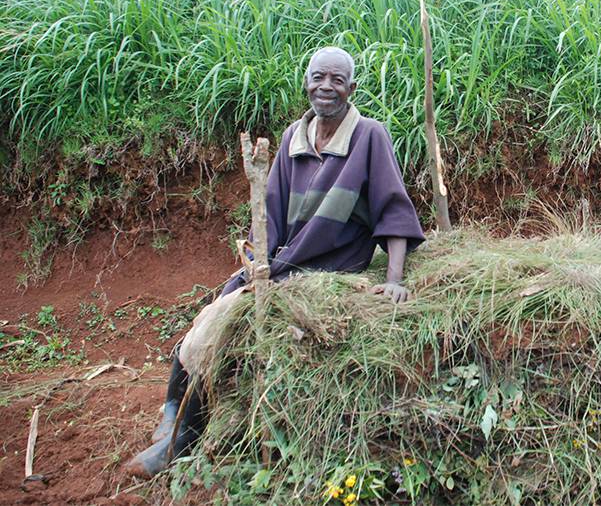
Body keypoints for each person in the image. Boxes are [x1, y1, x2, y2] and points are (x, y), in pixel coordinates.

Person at [124, 47, 425, 477]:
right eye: (318, 77)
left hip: (328, 267)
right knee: (218, 304)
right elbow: (269, 211)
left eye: (337, 80)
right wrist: (257, 263)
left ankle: (182, 440)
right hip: (284, 263)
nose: (326, 87)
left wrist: (394, 278)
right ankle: (173, 407)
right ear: (306, 83)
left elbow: (393, 208)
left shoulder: (368, 136)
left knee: (226, 320)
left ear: (351, 88)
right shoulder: (292, 138)